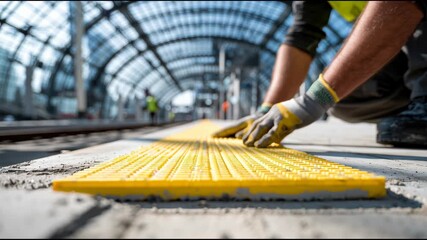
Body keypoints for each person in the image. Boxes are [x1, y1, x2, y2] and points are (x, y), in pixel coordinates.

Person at [213, 1, 427, 148]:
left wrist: (315, 99)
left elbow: (400, 6)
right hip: (406, 45)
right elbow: (303, 35)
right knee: (346, 98)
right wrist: (267, 111)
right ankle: (416, 102)